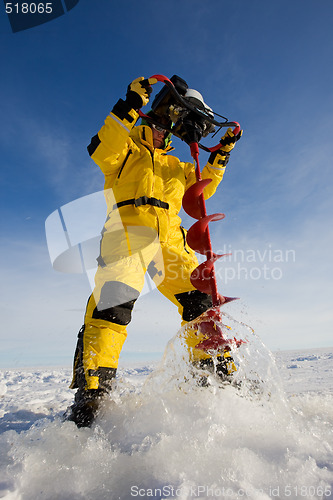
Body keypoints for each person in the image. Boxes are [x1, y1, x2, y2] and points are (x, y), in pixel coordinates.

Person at [66, 77, 242, 427]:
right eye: (158, 124)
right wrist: (132, 102)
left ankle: (214, 377)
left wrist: (222, 152)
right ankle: (93, 395)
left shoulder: (176, 165)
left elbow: (205, 184)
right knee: (112, 307)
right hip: (128, 231)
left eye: (168, 128)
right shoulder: (125, 152)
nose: (164, 131)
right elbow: (102, 148)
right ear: (145, 122)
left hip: (171, 241)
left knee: (200, 304)